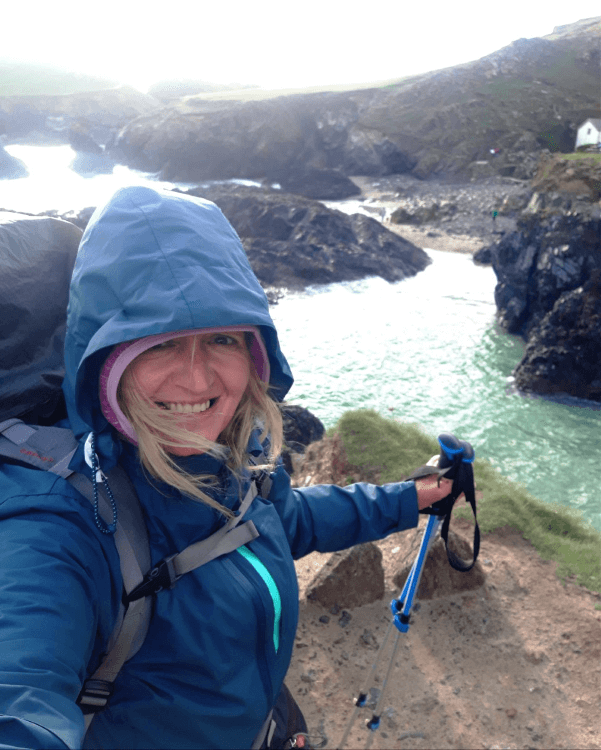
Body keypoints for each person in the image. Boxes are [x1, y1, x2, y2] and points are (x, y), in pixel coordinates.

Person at [0, 186, 454, 750]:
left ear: (255, 349)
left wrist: (409, 500)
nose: (196, 380)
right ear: (103, 357)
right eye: (157, 343)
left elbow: (281, 520)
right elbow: (20, 694)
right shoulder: (56, 526)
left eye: (220, 338)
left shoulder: (232, 458)